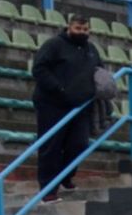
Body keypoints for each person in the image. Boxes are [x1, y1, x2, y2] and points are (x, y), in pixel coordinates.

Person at [30, 14, 101, 201]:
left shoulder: (91, 49)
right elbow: (39, 69)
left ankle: (65, 176)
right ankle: (48, 190)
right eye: (78, 29)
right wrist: (59, 88)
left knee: (79, 145)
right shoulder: (54, 45)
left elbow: (99, 70)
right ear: (69, 27)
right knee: (51, 146)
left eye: (85, 29)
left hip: (80, 106)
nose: (82, 32)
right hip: (52, 104)